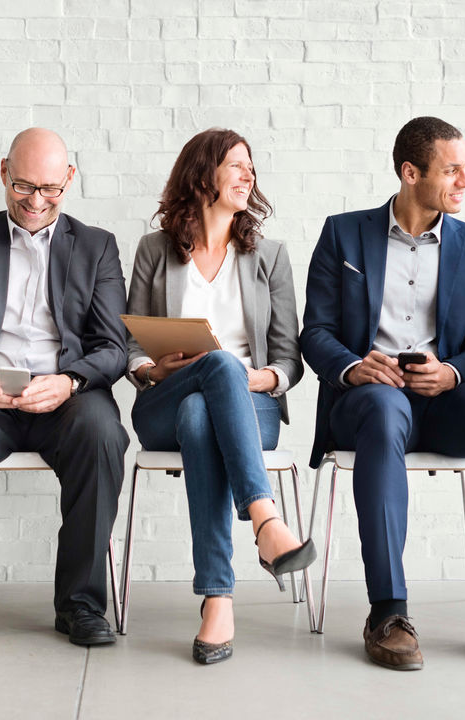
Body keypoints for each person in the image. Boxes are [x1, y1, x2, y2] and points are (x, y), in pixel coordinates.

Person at [299, 116, 465, 670]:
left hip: (444, 400)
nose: (463, 183)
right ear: (411, 173)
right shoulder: (344, 233)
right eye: (451, 170)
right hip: (367, 400)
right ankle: (387, 612)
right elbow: (315, 331)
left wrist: (451, 372)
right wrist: (354, 367)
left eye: (464, 170)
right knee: (385, 410)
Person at [0, 128, 129, 649]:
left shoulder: (97, 246)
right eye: (23, 186)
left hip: (67, 394)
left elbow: (114, 345)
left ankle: (80, 605)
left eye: (51, 189)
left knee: (104, 433)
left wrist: (69, 380)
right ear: (4, 171)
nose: (36, 201)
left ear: (70, 179)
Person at [125, 128, 314, 665]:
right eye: (235, 164)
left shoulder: (269, 257)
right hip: (164, 396)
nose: (247, 174)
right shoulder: (154, 250)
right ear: (201, 173)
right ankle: (265, 522)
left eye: (250, 166)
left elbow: (287, 360)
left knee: (205, 407)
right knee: (204, 383)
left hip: (249, 406)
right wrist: (151, 366)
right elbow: (128, 345)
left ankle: (218, 597)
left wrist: (258, 378)